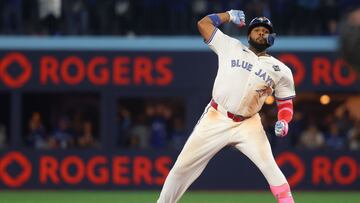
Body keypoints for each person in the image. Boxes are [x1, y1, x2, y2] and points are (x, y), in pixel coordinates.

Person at [157, 10, 296, 203]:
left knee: (272, 169)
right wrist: (228, 15)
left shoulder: (281, 70)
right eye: (257, 30)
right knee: (182, 167)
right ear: (249, 34)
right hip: (217, 117)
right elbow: (203, 24)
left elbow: (285, 102)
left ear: (272, 37)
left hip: (249, 124)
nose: (261, 33)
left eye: (265, 31)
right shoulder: (230, 46)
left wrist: (284, 120)